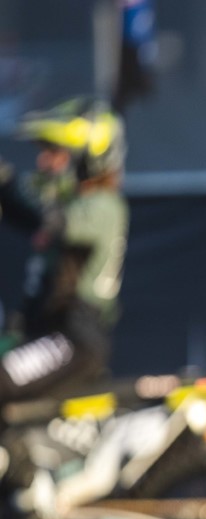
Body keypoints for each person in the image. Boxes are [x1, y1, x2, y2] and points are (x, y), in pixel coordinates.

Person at [0, 96, 128, 404]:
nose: (43, 163)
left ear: (87, 160)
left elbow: (49, 218)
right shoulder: (69, 205)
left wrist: (6, 183)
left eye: (55, 153)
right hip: (41, 333)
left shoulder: (103, 207)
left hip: (74, 340)